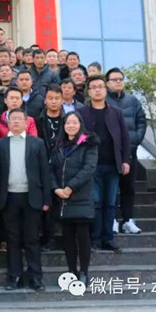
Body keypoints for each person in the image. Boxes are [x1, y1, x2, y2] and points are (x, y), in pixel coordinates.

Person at [0, 109, 51, 291]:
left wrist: (46, 199)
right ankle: (14, 277)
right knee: (13, 239)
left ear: (26, 123)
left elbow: (44, 172)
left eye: (19, 119)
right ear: (8, 123)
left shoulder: (37, 143)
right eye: (13, 119)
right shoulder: (0, 144)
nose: (16, 122)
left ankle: (35, 277)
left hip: (32, 197)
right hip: (9, 197)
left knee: (32, 239)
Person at [78, 75, 130, 252]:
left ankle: (108, 238)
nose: (97, 90)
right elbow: (78, 138)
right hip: (92, 166)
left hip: (113, 164)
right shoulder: (82, 113)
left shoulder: (116, 112)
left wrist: (125, 160)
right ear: (88, 92)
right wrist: (87, 140)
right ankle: (96, 239)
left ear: (105, 89)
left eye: (100, 86)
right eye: (93, 87)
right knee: (96, 202)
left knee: (110, 203)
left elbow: (125, 138)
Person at [51, 112, 98, 285]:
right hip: (63, 199)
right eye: (68, 123)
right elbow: (51, 170)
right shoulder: (59, 145)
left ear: (80, 124)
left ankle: (84, 272)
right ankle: (72, 270)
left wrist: (70, 187)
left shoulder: (89, 143)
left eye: (74, 123)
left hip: (81, 196)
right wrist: (56, 188)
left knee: (83, 237)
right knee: (68, 238)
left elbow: (89, 168)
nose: (71, 126)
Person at [106, 67, 146, 235]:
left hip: (130, 151)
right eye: (114, 79)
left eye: (120, 79)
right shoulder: (103, 101)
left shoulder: (133, 100)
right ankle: (113, 220)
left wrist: (136, 139)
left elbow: (141, 121)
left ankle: (128, 220)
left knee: (128, 187)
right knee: (112, 188)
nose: (118, 82)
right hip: (110, 153)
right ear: (107, 83)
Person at [35, 84, 65, 252]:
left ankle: (56, 239)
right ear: (45, 100)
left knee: (57, 206)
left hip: (62, 168)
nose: (53, 102)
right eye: (50, 98)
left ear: (62, 100)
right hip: (42, 167)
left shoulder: (68, 120)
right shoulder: (38, 120)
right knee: (44, 206)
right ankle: (46, 239)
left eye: (57, 98)